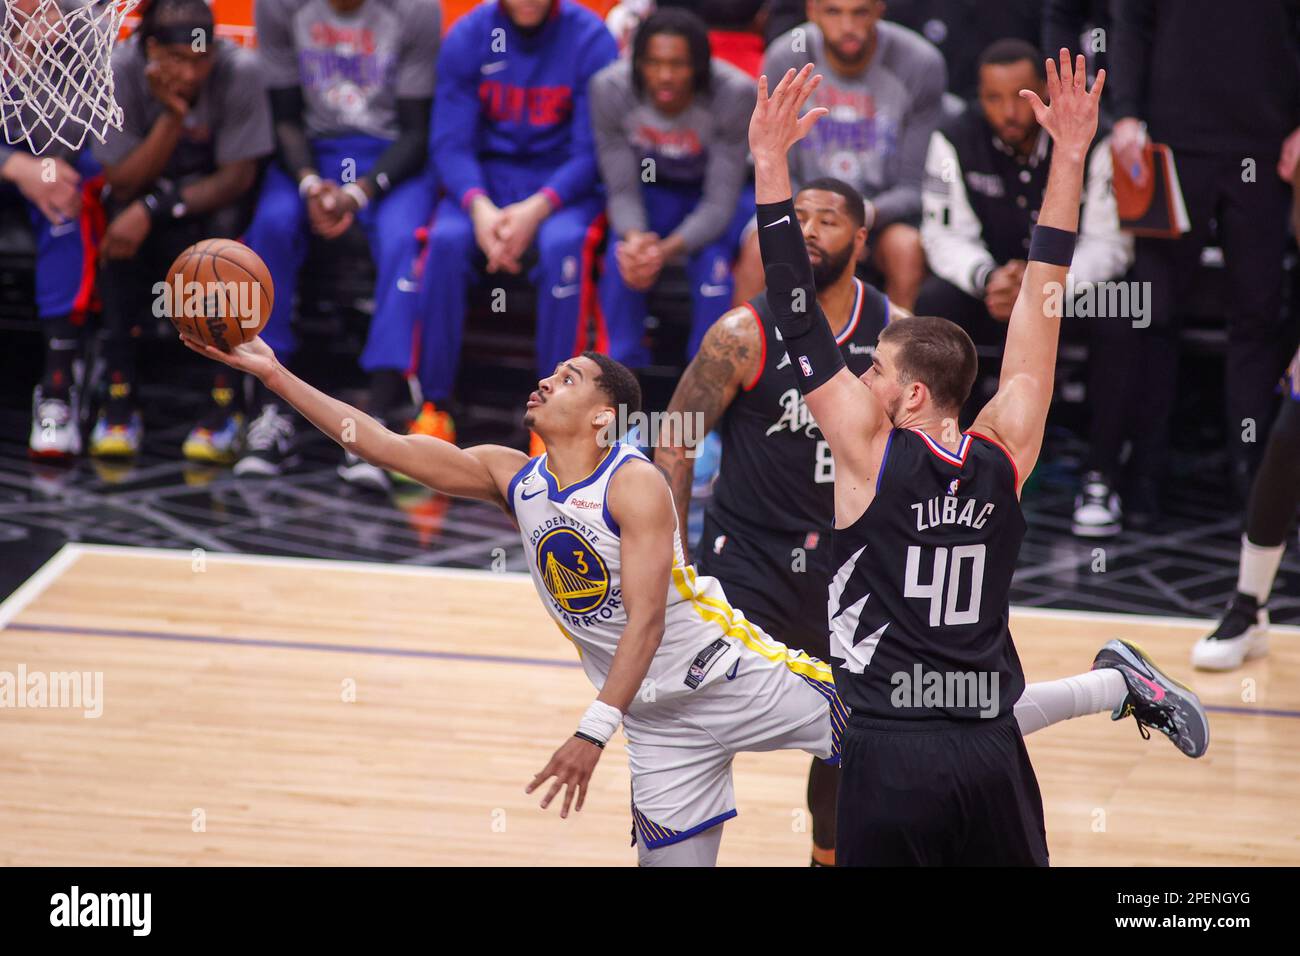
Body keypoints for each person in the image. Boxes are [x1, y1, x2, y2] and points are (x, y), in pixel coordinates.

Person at [176, 301, 1200, 868]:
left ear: (605, 414)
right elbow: (384, 442)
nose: (546, 380)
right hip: (661, 724)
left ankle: (1116, 684)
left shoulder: (634, 488)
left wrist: (591, 723)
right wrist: (271, 372)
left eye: (569, 376)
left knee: (942, 720)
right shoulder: (511, 471)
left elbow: (651, 616)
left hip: (732, 671)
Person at [657, 175, 1202, 866]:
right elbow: (1041, 316)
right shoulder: (1005, 457)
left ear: (910, 393)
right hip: (985, 742)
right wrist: (1070, 156)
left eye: (874, 371)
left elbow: (796, 316)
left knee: (709, 712)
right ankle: (1114, 685)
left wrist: (766, 161)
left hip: (887, 744)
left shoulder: (866, 458)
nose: (859, 379)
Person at [1091, 0, 1300, 525]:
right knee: (1154, 316)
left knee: (1258, 315)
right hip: (1170, 140)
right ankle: (1142, 480)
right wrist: (1129, 112)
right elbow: (1131, 21)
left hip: (1266, 142)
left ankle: (1254, 485)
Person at [238, 0, 441, 486]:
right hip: (312, 155)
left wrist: (358, 192)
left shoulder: (416, 10)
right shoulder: (279, 8)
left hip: (390, 155)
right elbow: (284, 116)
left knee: (404, 242)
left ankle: (381, 415)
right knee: (269, 227)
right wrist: (310, 184)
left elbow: (417, 132)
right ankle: (270, 409)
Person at [416, 0, 617, 452]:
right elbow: (449, 142)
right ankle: (433, 406)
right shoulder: (468, 35)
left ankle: (554, 421)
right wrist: (479, 205)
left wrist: (537, 209)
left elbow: (594, 150)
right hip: (484, 183)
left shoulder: (591, 40)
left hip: (560, 189)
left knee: (564, 246)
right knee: (445, 243)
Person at [90, 0, 273, 461]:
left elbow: (237, 177)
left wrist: (156, 207)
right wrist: (172, 116)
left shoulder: (240, 70)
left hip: (211, 204)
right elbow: (123, 179)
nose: (191, 75)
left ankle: (224, 404)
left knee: (223, 248)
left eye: (201, 59)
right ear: (151, 49)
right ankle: (118, 397)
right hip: (143, 193)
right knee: (116, 227)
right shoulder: (121, 68)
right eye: (178, 60)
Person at [919, 38, 1130, 430]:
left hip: (1068, 292)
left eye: (1020, 97)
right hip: (995, 289)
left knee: (1125, 308)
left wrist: (1045, 287)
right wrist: (987, 277)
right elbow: (943, 235)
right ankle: (944, 447)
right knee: (934, 303)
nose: (1009, 112)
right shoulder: (954, 138)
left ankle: (1104, 470)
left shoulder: (1094, 138)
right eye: (993, 99)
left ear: (1046, 90)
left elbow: (1110, 243)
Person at [733, 0, 946, 311]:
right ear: (812, 11)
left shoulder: (920, 63)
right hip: (798, 207)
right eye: (834, 11)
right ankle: (745, 356)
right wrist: (813, 219)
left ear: (878, 10)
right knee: (757, 250)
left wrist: (857, 218)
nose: (848, 27)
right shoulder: (786, 57)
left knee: (907, 250)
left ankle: (900, 357)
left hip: (881, 216)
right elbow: (775, 163)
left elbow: (914, 188)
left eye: (859, 12)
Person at [591, 8, 756, 367]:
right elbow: (621, 189)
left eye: (678, 64)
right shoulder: (610, 89)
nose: (665, 76)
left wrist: (662, 252)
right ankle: (619, 379)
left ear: (700, 65)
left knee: (713, 268)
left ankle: (706, 384)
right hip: (653, 191)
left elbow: (718, 202)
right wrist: (636, 240)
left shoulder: (734, 93)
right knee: (623, 258)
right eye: (653, 63)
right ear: (637, 63)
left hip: (714, 198)